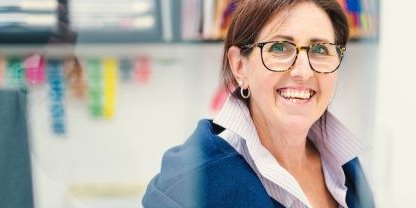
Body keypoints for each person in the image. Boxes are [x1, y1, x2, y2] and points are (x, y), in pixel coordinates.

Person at [142, 0, 374, 207]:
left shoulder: (345, 168)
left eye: (320, 49)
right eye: (280, 48)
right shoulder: (189, 185)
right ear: (239, 67)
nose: (304, 71)